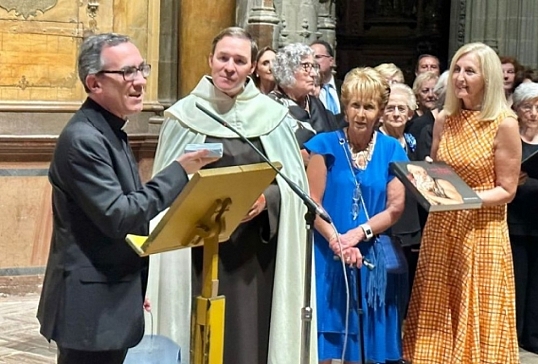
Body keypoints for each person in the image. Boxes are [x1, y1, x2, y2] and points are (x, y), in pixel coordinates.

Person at [36, 33, 216, 364]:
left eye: (142, 69)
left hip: (110, 296)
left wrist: (133, 286)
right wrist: (178, 171)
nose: (140, 81)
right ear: (94, 83)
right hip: (90, 308)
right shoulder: (83, 140)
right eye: (127, 72)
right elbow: (120, 216)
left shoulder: (109, 130)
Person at [146, 27, 315, 364]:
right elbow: (164, 188)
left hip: (254, 258)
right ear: (210, 60)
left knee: (248, 341)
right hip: (195, 253)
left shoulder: (273, 119)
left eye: (239, 60)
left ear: (252, 67)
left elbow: (295, 188)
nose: (229, 67)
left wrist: (268, 199)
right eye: (223, 58)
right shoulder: (183, 116)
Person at [403, 42, 521, 363]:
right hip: (443, 227)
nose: (459, 77)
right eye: (456, 69)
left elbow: (507, 190)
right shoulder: (444, 119)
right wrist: (425, 178)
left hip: (482, 231)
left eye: (470, 71)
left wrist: (464, 199)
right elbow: (437, 165)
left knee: (477, 309)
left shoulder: (504, 123)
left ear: (489, 78)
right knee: (438, 309)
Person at [306, 67, 408, 364]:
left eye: (369, 107)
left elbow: (395, 208)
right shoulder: (324, 145)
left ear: (379, 111)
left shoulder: (392, 150)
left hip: (371, 256)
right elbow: (313, 202)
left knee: (368, 344)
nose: (361, 114)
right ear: (345, 106)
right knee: (330, 337)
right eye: (355, 105)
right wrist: (337, 240)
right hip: (329, 254)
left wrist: (358, 233)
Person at [379, 83, 422, 302]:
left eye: (401, 109)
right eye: (390, 108)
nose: (396, 114)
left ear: (411, 113)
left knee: (406, 289)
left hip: (411, 224)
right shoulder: (375, 142)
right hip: (386, 223)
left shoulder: (415, 143)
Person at [270, 42, 342, 164]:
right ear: (287, 69)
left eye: (314, 66)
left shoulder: (316, 103)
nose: (313, 73)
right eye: (306, 66)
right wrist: (295, 156)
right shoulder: (271, 106)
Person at [508, 82, 538, 354]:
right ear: (516, 109)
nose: (533, 112)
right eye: (527, 106)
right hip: (515, 220)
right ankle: (514, 335)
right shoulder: (511, 138)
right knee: (518, 280)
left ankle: (534, 336)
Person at [311, 40, 342, 114]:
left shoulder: (344, 87)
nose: (313, 61)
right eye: (310, 58)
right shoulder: (308, 91)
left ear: (331, 61)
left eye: (317, 57)